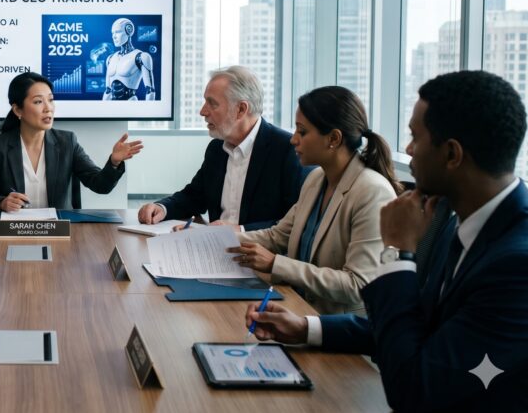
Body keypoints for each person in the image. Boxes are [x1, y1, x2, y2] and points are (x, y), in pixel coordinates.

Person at [245, 71, 528, 412]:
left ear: (452, 154)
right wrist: (306, 328)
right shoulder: (463, 225)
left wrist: (398, 254)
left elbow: (414, 389)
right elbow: (418, 325)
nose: (407, 150)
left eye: (415, 138)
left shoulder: (516, 265)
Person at [227, 86, 400, 315]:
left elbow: (358, 285)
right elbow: (277, 236)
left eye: (302, 131)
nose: (293, 140)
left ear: (334, 139)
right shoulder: (316, 179)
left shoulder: (372, 192)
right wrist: (212, 239)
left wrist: (275, 264)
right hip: (297, 309)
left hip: (336, 325)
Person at [138, 66, 307, 231]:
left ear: (241, 109)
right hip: (214, 246)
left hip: (257, 249)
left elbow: (294, 223)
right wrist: (162, 208)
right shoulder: (217, 148)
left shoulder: (289, 150)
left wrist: (239, 230)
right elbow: (194, 196)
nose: (202, 112)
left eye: (212, 104)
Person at [0, 71, 142, 213]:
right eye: (38, 102)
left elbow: (100, 185)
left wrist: (114, 162)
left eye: (51, 100)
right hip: (15, 228)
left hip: (59, 230)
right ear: (18, 110)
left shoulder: (67, 142)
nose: (48, 108)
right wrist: (1, 202)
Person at [103, 17, 155, 100]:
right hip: (112, 105)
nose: (114, 36)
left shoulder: (141, 57)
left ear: (129, 30)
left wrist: (148, 108)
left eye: (118, 32)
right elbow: (108, 91)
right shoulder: (110, 59)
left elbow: (150, 91)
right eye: (113, 33)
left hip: (130, 103)